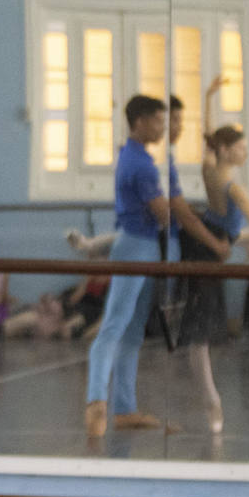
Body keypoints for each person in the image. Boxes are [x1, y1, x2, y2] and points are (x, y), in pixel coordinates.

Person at [173, 79, 249, 433]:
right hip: (210, 247)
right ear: (227, 150)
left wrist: (210, 95)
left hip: (207, 236)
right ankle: (211, 400)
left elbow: (208, 134)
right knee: (199, 331)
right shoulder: (234, 188)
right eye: (241, 147)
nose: (245, 152)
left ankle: (94, 245)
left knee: (199, 329)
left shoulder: (209, 170)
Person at [84, 95, 172, 437]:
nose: (162, 128)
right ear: (139, 122)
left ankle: (123, 407)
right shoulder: (141, 164)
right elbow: (162, 212)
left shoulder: (135, 156)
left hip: (145, 246)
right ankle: (96, 402)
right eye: (158, 122)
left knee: (133, 329)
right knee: (114, 326)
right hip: (135, 244)